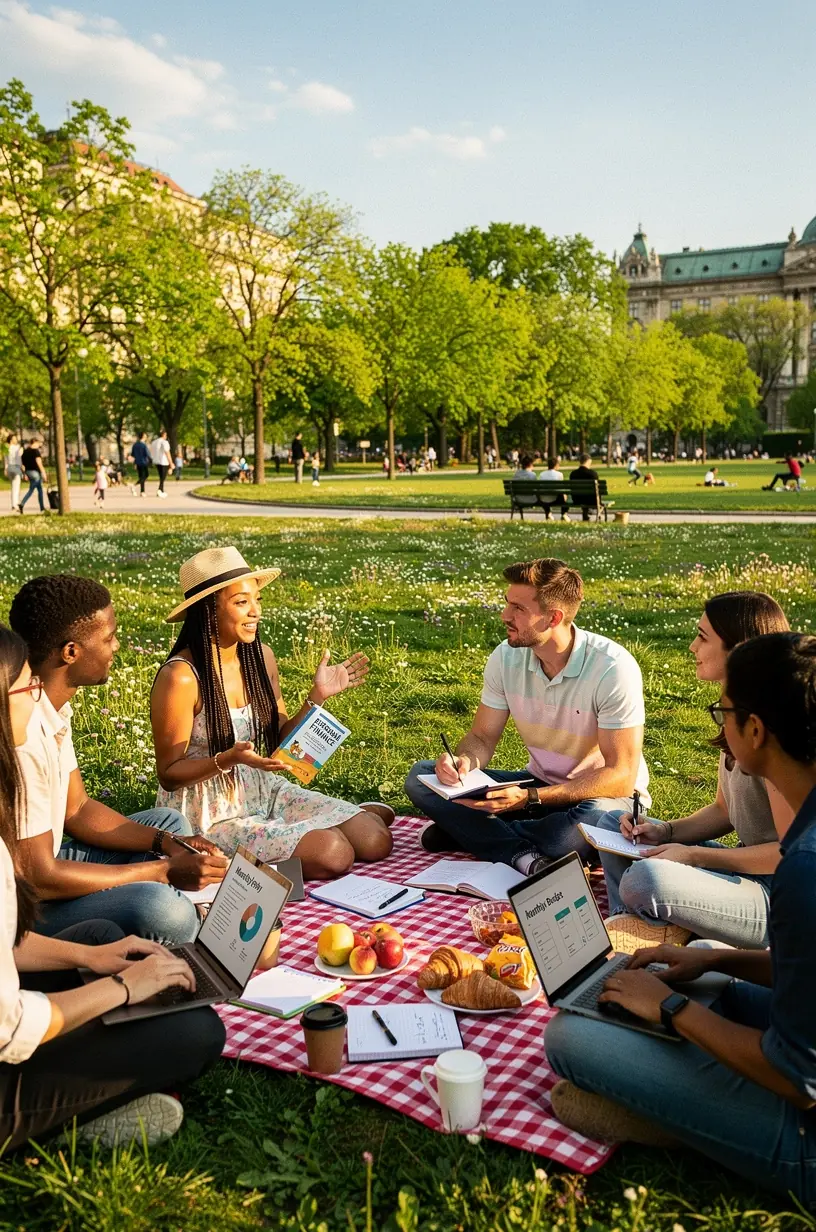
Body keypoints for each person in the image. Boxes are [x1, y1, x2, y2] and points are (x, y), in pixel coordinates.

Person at [545, 632, 816, 1208]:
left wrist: (669, 1008)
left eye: (726, 712)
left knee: (568, 1039)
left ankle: (683, 1118)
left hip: (804, 1137)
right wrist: (712, 956)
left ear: (757, 730)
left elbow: (800, 1079)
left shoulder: (805, 868)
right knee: (712, 985)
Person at [0, 625, 225, 1150]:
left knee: (102, 935)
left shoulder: (48, 722)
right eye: (26, 687)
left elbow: (9, 941)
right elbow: (11, 1029)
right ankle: (59, 1125)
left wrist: (96, 960)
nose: (37, 697)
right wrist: (124, 988)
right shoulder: (24, 752)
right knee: (198, 1033)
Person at [151, 547, 395, 878]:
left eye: (257, 600)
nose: (255, 612)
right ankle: (249, 864)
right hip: (210, 815)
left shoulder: (260, 658)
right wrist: (228, 759)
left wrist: (317, 697)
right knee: (334, 853)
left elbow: (281, 738)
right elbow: (168, 772)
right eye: (241, 602)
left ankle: (341, 821)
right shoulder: (180, 676)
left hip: (262, 790)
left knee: (377, 840)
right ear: (208, 610)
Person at [9, 576, 226, 945]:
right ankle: (184, 919)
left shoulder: (52, 708)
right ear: (71, 652)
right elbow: (38, 875)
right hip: (23, 904)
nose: (117, 646)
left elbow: (76, 809)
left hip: (47, 861)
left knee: (167, 822)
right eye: (108, 637)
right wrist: (161, 872)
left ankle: (172, 901)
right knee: (163, 910)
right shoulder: (23, 735)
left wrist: (166, 843)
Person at [404, 558, 649, 871]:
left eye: (518, 609)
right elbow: (481, 737)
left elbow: (621, 776)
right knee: (421, 777)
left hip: (602, 797)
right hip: (537, 786)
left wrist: (530, 798)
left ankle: (474, 833)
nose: (505, 615)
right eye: (508, 604)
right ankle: (521, 850)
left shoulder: (612, 668)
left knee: (585, 826)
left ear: (553, 618)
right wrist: (463, 762)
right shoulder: (506, 657)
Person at [596, 592, 792, 952]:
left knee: (645, 878)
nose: (691, 647)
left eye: (703, 637)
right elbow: (724, 810)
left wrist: (694, 856)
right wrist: (663, 831)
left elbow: (789, 853)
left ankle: (644, 929)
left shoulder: (772, 730)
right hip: (742, 868)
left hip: (775, 897)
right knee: (612, 824)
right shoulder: (735, 710)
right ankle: (648, 927)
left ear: (740, 648)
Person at [18, 437, 48, 515]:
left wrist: (24, 474)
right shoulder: (36, 451)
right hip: (35, 473)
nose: (39, 445)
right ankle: (22, 503)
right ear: (35, 442)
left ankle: (42, 507)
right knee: (31, 490)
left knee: (40, 490)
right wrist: (44, 473)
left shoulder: (25, 452)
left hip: (28, 472)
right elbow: (39, 463)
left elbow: (22, 465)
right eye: (38, 443)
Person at [569, 452, 600, 522]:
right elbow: (597, 489)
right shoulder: (593, 474)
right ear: (588, 461)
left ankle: (586, 514)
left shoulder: (573, 474)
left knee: (583, 495)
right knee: (588, 495)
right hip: (591, 501)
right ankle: (587, 513)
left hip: (577, 499)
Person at [538, 455, 570, 522]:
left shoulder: (542, 474)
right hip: (555, 499)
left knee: (545, 495)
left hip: (544, 500)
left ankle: (548, 513)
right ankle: (563, 514)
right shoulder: (559, 474)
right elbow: (561, 488)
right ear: (556, 465)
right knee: (564, 495)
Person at [150, 430, 172, 498]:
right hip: (163, 461)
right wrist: (171, 463)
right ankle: (160, 490)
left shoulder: (154, 442)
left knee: (161, 477)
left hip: (156, 461)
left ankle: (161, 490)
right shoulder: (164, 442)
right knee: (163, 477)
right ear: (164, 435)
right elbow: (167, 452)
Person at [129, 432, 151, 498]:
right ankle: (135, 486)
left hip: (137, 462)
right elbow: (147, 454)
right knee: (146, 475)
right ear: (143, 437)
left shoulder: (135, 445)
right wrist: (150, 461)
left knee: (141, 476)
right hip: (143, 462)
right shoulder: (143, 445)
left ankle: (142, 491)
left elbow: (132, 454)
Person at [5, 433, 23, 512]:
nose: (16, 440)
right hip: (16, 468)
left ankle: (13, 505)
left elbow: (5, 460)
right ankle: (15, 506)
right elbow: (20, 457)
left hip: (9, 468)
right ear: (11, 440)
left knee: (13, 487)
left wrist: (5, 469)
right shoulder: (18, 447)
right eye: (15, 439)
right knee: (16, 488)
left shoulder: (6, 448)